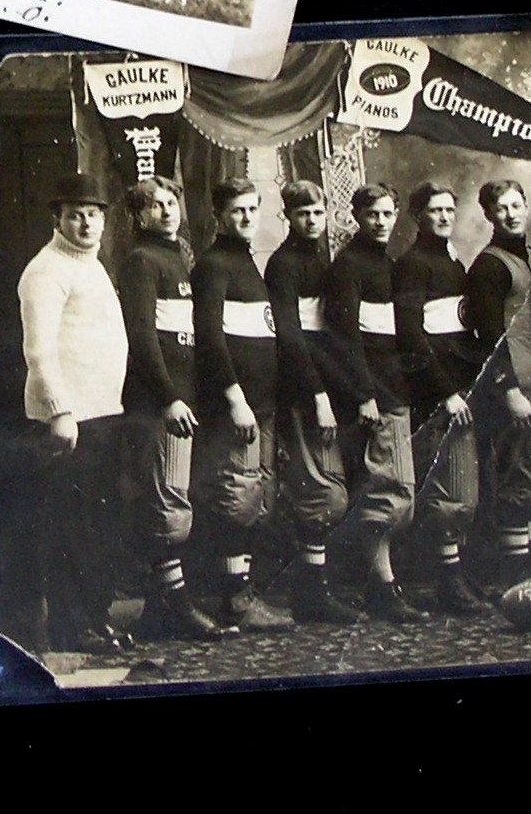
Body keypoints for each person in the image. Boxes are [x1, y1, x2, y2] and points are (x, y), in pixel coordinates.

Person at [17, 176, 132, 654]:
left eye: (93, 214)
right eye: (74, 214)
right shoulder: (46, 271)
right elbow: (39, 352)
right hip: (70, 421)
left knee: (99, 525)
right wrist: (61, 412)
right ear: (57, 220)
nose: (85, 223)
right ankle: (69, 628)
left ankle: (95, 618)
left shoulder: (93, 265)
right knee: (71, 528)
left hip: (103, 413)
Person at [114, 178, 223, 638]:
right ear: (138, 217)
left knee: (178, 496)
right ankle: (173, 606)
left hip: (182, 398)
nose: (166, 212)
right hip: (159, 403)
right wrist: (169, 396)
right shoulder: (142, 261)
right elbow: (141, 337)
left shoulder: (178, 255)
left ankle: (162, 608)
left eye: (171, 202)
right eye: (154, 206)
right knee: (167, 503)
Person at [186, 180, 295, 630]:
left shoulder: (248, 264)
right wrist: (236, 399)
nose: (247, 217)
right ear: (219, 215)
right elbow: (210, 339)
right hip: (237, 406)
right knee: (235, 497)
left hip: (263, 404)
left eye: (253, 209)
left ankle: (241, 591)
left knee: (255, 498)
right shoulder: (213, 265)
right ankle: (234, 600)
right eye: (237, 210)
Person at [320, 184, 425, 623]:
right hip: (373, 396)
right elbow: (344, 338)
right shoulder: (348, 266)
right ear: (357, 217)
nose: (380, 222)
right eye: (372, 215)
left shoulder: (390, 265)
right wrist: (364, 394)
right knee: (386, 491)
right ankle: (381, 587)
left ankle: (381, 582)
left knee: (397, 493)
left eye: (387, 214)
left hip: (395, 391)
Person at [395, 182, 491, 614]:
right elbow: (413, 337)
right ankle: (447, 580)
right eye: (435, 210)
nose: (444, 217)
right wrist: (445, 391)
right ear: (418, 216)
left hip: (462, 386)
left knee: (465, 484)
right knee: (449, 487)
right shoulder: (413, 264)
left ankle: (458, 572)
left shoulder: (453, 260)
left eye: (449, 209)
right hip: (439, 392)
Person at [265, 180, 356, 624]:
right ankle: (310, 593)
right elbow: (292, 336)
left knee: (334, 485)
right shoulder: (282, 264)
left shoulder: (325, 261)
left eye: (318, 213)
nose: (312, 221)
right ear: (288, 217)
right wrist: (318, 394)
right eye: (302, 214)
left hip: (327, 383)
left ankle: (318, 586)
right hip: (301, 386)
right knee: (319, 489)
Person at [464, 180, 531, 594]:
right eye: (502, 208)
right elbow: (489, 337)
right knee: (516, 469)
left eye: (517, 205)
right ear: (489, 215)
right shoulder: (489, 266)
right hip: (511, 382)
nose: (511, 214)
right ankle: (516, 571)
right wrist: (508, 389)